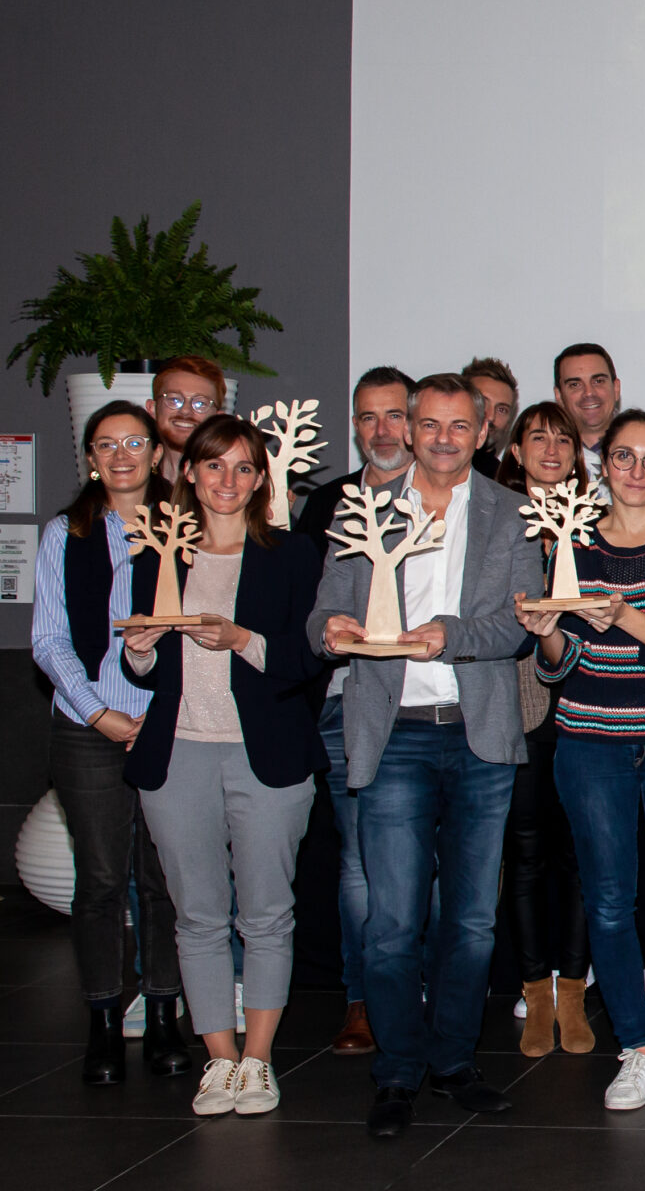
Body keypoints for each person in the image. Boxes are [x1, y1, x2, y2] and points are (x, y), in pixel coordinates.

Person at [312, 373, 543, 1137]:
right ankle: (397, 1071)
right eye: (430, 425)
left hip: (479, 736)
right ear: (408, 430)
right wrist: (333, 629)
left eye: (459, 426)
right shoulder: (360, 508)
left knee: (473, 921)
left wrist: (449, 632)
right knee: (392, 920)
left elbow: (514, 628)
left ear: (483, 434)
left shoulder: (513, 513)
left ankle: (453, 1062)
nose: (444, 438)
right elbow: (324, 609)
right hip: (393, 732)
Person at [119, 416, 327, 1117]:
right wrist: (142, 649)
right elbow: (143, 669)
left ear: (261, 478)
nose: (228, 481)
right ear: (189, 474)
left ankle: (259, 1061)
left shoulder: (293, 555)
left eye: (243, 468)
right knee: (198, 916)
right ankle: (220, 1061)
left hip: (266, 755)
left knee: (267, 915)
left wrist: (243, 640)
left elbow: (308, 663)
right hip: (177, 755)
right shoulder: (159, 554)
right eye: (214, 467)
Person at [520, 410, 645, 1113]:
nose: (637, 472)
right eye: (624, 457)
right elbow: (562, 667)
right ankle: (636, 1048)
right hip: (589, 742)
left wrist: (622, 612)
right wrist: (549, 634)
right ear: (602, 464)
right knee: (608, 903)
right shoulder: (572, 542)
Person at [32, 400, 190, 1084]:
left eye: (135, 442)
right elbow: (49, 641)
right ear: (90, 459)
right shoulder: (64, 534)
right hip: (88, 729)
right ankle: (101, 1021)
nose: (121, 454)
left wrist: (154, 715)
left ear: (158, 453)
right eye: (106, 444)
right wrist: (101, 715)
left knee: (163, 882)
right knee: (99, 882)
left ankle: (161, 1015)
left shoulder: (188, 529)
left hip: (170, 723)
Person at [291, 364, 416, 1057]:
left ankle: (413, 988)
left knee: (427, 865)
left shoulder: (445, 499)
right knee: (361, 866)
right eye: (366, 418)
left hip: (431, 708)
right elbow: (311, 607)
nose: (381, 431)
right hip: (348, 706)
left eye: (394, 415)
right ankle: (363, 1000)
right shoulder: (331, 504)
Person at [496, 402, 597, 1059]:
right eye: (538, 437)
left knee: (585, 857)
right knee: (527, 857)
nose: (552, 448)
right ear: (516, 449)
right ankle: (535, 989)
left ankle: (573, 993)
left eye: (563, 438)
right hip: (524, 710)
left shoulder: (598, 524)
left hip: (591, 708)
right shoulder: (494, 522)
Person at [149, 355, 228, 481]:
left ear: (217, 418)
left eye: (200, 404)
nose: (185, 411)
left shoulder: (228, 488)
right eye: (174, 400)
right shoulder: (130, 483)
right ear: (152, 408)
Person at [552, 344, 622, 481]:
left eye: (598, 381)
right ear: (559, 396)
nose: (589, 393)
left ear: (616, 388)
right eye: (575, 385)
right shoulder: (546, 461)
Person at [462, 355, 520, 477]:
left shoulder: (505, 483)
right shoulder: (422, 466)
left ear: (508, 424)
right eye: (482, 403)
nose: (490, 417)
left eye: (501, 409)